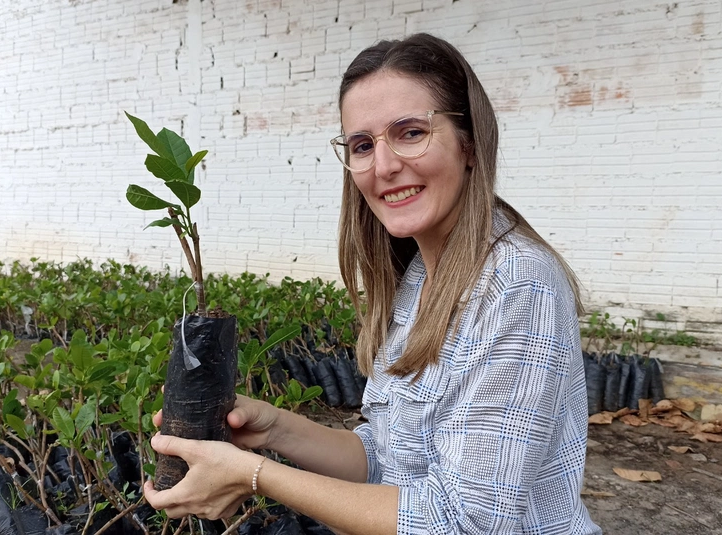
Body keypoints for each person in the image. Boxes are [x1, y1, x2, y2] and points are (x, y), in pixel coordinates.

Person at [144, 33, 602, 535]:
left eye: (409, 133)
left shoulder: (516, 284)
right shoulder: (422, 277)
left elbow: (468, 523)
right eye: (363, 145)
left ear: (470, 143)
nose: (382, 167)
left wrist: (255, 476)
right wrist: (275, 429)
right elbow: (385, 461)